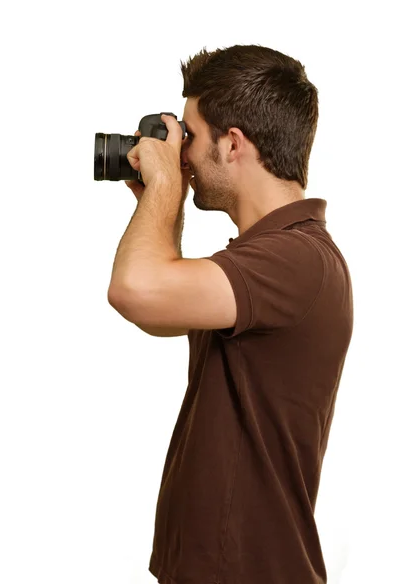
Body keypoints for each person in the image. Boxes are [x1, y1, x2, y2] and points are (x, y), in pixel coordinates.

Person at [111, 44, 354, 583]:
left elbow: (135, 289)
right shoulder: (270, 259)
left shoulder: (295, 260)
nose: (183, 156)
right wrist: (161, 202)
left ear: (233, 144)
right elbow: (159, 312)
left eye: (191, 137)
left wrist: (165, 188)